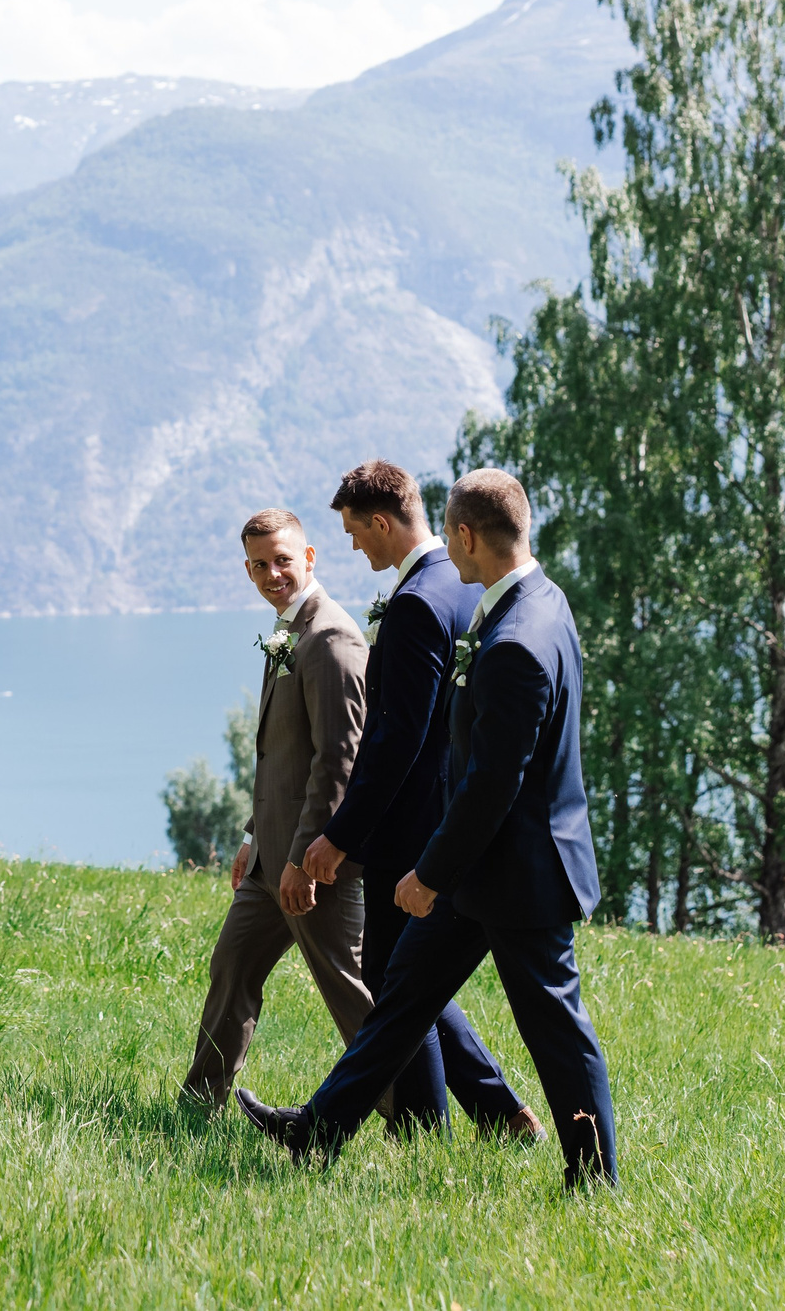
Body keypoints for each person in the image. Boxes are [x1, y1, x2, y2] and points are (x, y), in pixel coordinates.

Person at [236, 468, 620, 1188]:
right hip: (485, 869)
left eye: (449, 533)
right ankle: (316, 1132)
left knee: (558, 1032)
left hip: (521, 875)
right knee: (403, 997)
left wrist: (429, 873)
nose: (444, 546)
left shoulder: (515, 642)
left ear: (467, 535)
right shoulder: (542, 600)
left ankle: (596, 1181)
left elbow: (492, 786)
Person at [303, 460, 540, 1141]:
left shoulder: (414, 603)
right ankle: (499, 1114)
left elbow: (395, 739)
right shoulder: (462, 586)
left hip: (411, 826)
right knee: (413, 975)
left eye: (355, 532)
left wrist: (340, 835)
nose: (355, 546)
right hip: (450, 816)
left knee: (395, 976)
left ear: (382, 522)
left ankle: (422, 1127)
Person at [179, 508, 381, 1107]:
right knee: (232, 968)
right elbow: (281, 755)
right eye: (259, 565)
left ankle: (413, 1116)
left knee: (350, 993)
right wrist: (252, 838)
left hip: (313, 862)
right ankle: (200, 1103)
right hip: (270, 858)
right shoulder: (289, 631)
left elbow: (338, 762)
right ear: (247, 569)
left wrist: (301, 861)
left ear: (310, 558)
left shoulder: (332, 638)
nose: (273, 574)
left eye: (283, 560)